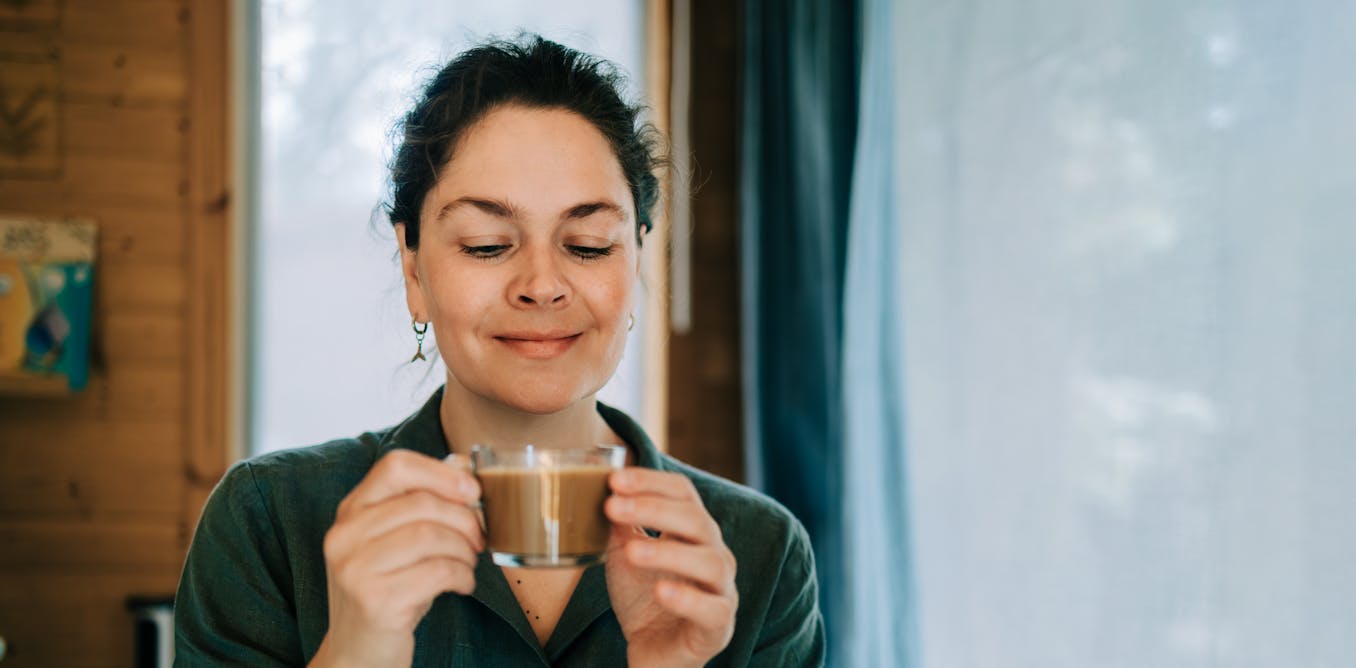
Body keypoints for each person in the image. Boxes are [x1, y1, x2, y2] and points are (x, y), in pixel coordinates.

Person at [173, 35, 825, 667]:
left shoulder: (761, 557)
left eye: (590, 245)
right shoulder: (268, 523)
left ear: (637, 261)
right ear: (413, 269)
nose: (542, 286)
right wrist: (355, 656)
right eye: (486, 244)